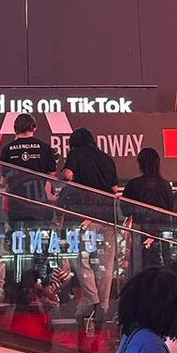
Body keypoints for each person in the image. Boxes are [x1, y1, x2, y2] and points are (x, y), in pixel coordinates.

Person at [59, 129, 118, 318]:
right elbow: (114, 188)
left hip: (86, 215)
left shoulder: (76, 154)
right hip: (108, 217)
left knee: (81, 258)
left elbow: (67, 175)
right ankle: (104, 305)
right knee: (105, 264)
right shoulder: (107, 158)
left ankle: (93, 298)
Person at [0, 114, 58, 233]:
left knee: (18, 237)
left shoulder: (7, 150)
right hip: (39, 201)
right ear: (34, 127)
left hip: (16, 202)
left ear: (15, 129)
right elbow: (52, 175)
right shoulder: (45, 148)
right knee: (41, 237)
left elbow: (4, 180)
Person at [119, 147, 172, 266]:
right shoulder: (165, 185)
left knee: (140, 265)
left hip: (140, 232)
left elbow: (125, 210)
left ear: (141, 164)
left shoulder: (133, 184)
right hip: (161, 233)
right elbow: (170, 209)